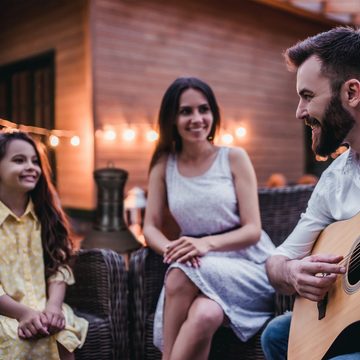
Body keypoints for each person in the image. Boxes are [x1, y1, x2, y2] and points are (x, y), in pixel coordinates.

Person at [143, 77, 275, 360]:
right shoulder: (164, 165)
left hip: (246, 262)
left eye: (204, 109)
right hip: (196, 260)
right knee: (205, 314)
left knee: (179, 273)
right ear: (172, 119)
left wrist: (207, 245)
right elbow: (150, 227)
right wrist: (171, 249)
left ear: (213, 114)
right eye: (185, 111)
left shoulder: (234, 158)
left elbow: (253, 229)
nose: (197, 119)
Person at [261, 27, 360, 359]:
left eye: (307, 95)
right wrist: (293, 273)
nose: (299, 112)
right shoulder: (336, 178)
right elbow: (276, 262)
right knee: (277, 335)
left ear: (352, 93)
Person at [0, 131, 88, 360]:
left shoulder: (45, 215)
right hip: (5, 313)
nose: (31, 167)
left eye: (35, 161)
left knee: (62, 335)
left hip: (45, 306)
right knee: (19, 341)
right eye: (19, 160)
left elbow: (59, 264)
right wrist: (22, 313)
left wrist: (54, 307)